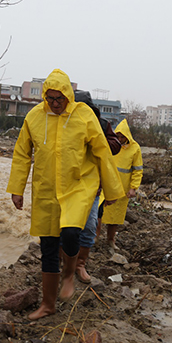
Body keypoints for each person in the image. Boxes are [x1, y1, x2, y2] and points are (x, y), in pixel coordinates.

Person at [6, 69, 124, 321]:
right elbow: (21, 153)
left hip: (78, 187)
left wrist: (112, 191)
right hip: (46, 188)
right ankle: (48, 304)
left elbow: (102, 151)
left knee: (71, 232)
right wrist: (17, 189)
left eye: (60, 98)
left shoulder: (83, 116)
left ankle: (70, 273)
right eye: (51, 99)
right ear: (45, 97)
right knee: (48, 247)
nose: (56, 103)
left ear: (69, 96)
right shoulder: (34, 118)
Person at [72, 90, 121, 283]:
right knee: (64, 227)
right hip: (66, 186)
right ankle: (64, 262)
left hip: (92, 187)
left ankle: (80, 264)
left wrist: (96, 141)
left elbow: (115, 145)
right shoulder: (63, 123)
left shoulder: (101, 125)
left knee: (90, 227)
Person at [97, 118, 143, 250]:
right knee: (97, 213)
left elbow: (137, 170)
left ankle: (110, 241)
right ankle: (95, 239)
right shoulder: (110, 144)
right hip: (105, 185)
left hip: (121, 189)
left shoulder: (135, 149)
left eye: (122, 136)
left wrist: (133, 188)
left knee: (115, 218)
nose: (120, 139)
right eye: (118, 136)